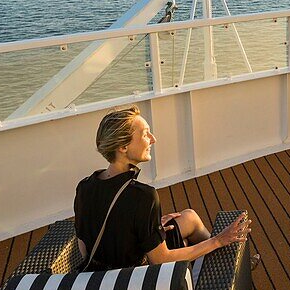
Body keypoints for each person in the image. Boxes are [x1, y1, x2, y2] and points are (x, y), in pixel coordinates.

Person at [74, 105, 254, 271]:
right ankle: (228, 269)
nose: (153, 139)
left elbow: (84, 246)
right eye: (145, 134)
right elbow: (160, 259)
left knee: (189, 217)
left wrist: (150, 228)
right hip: (135, 278)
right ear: (123, 147)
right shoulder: (143, 196)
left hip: (100, 273)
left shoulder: (84, 187)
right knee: (197, 239)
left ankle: (225, 265)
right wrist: (218, 240)